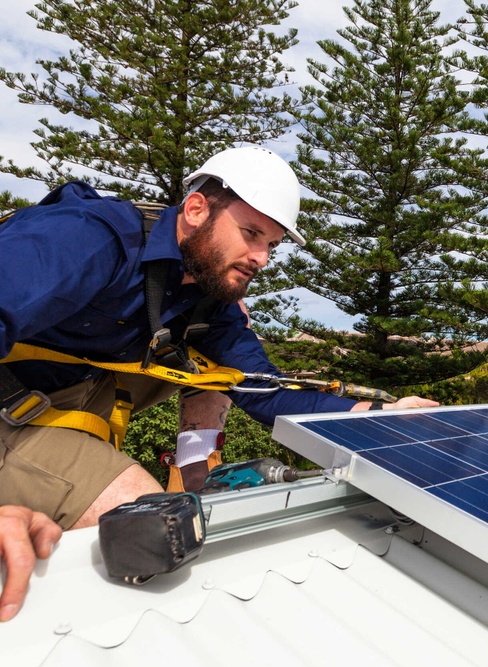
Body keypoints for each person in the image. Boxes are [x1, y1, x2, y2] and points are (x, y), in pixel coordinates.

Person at [0, 145, 438, 621]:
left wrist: (377, 419)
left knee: (217, 355)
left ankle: (197, 475)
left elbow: (260, 386)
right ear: (195, 209)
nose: (261, 258)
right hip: (12, 404)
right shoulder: (88, 238)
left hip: (77, 385)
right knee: (150, 523)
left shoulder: (207, 296)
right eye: (251, 234)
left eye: (271, 244)